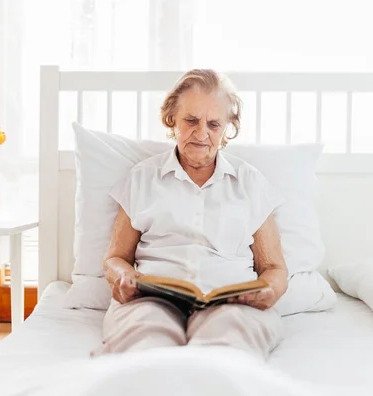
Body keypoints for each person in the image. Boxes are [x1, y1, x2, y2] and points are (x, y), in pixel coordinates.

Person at [93, 69, 288, 359]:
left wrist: (270, 290)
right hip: (151, 302)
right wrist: (122, 276)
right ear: (171, 119)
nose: (201, 134)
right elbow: (116, 256)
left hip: (232, 304)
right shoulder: (142, 178)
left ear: (226, 129)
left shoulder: (250, 182)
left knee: (226, 347)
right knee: (146, 344)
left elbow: (274, 267)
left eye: (213, 124)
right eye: (191, 121)